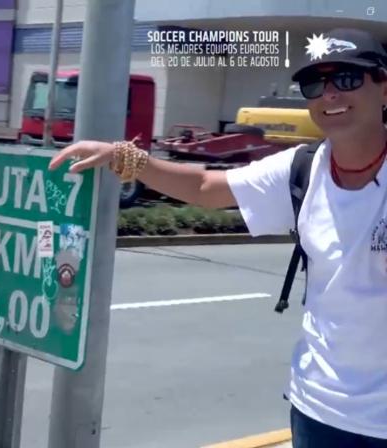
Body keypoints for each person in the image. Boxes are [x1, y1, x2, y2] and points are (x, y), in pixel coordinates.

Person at [49, 28, 387, 447]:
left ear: (383, 87)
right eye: (315, 84)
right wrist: (127, 157)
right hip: (317, 409)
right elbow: (208, 186)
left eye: (348, 78)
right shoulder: (302, 168)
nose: (330, 94)